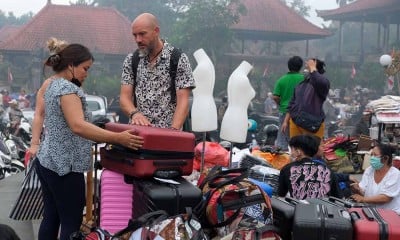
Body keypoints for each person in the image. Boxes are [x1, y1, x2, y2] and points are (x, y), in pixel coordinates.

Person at [29, 38, 144, 240]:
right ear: (71, 65)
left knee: (51, 217)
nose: (86, 74)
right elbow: (78, 126)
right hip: (65, 167)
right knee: (71, 222)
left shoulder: (52, 84)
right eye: (85, 68)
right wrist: (118, 138)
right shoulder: (68, 90)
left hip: (47, 161)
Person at [119, 13, 195, 129]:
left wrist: (173, 133)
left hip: (167, 136)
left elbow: (183, 103)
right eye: (135, 35)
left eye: (142, 34)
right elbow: (124, 98)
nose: (138, 40)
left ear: (156, 31)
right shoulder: (132, 60)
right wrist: (135, 114)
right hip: (137, 136)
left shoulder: (177, 58)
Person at [278, 134, 342, 200]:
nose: (291, 153)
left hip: (299, 209)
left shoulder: (287, 169)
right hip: (322, 208)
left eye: (292, 149)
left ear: (298, 151)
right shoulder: (327, 170)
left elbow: (281, 195)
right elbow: (338, 198)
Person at [284, 58, 330, 139]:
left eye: (307, 68)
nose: (305, 71)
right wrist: (285, 121)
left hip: (312, 124)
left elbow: (321, 81)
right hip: (295, 121)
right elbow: (291, 104)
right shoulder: (300, 85)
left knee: (313, 149)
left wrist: (313, 68)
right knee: (295, 149)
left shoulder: (321, 84)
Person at [351, 143, 400, 214]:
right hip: (372, 212)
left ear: (385, 158)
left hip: (390, 214)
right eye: (371, 155)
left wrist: (363, 199)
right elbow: (363, 192)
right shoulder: (369, 170)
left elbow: (386, 198)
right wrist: (357, 189)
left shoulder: (395, 174)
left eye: (375, 155)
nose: (372, 158)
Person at [273, 56, 304, 151]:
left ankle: (283, 158)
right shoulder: (304, 79)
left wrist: (281, 104)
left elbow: (275, 96)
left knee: (283, 139)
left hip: (284, 110)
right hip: (300, 112)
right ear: (300, 66)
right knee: (299, 139)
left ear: (288, 66)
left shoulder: (281, 80)